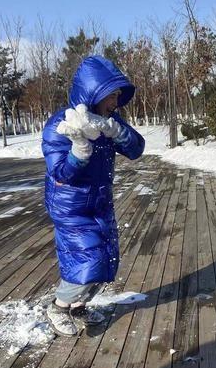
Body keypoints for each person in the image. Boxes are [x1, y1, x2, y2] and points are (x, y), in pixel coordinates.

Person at [41, 55, 145, 336]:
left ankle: (78, 307)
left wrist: (116, 131)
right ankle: (58, 307)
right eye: (110, 96)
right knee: (89, 259)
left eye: (117, 96)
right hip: (70, 206)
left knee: (107, 258)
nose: (115, 102)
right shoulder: (61, 125)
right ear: (94, 92)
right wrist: (79, 152)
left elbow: (136, 150)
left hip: (99, 202)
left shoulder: (109, 121)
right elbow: (62, 174)